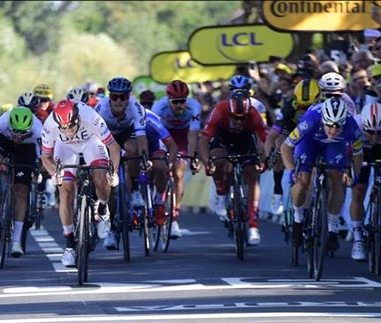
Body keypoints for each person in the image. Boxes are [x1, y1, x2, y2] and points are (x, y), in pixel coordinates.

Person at [41, 99, 121, 267]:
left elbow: (114, 148)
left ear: (78, 118)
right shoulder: (49, 126)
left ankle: (103, 209)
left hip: (90, 143)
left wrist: (113, 173)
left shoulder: (91, 117)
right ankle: (70, 245)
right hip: (65, 148)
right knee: (65, 191)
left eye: (72, 125)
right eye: (64, 128)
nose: (69, 130)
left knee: (100, 178)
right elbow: (45, 157)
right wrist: (54, 173)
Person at [281, 97, 363, 254]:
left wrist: (354, 173)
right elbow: (286, 147)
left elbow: (358, 155)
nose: (333, 131)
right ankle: (298, 220)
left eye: (338, 127)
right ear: (323, 120)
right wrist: (292, 170)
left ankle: (332, 229)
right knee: (303, 180)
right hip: (309, 143)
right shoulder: (311, 120)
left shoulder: (352, 127)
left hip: (334, 146)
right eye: (330, 126)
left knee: (336, 180)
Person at [198, 92, 267, 246]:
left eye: (242, 118)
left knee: (252, 174)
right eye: (234, 117)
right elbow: (203, 139)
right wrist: (207, 162)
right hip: (223, 139)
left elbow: (265, 140)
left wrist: (264, 160)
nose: (238, 121)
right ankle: (221, 194)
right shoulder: (219, 110)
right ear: (229, 112)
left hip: (245, 140)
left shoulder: (254, 114)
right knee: (219, 160)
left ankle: (253, 226)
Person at [0, 106, 42, 257]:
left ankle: (16, 240)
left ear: (30, 128)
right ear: (9, 125)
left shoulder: (38, 129)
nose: (18, 136)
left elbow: (43, 157)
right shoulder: (3, 121)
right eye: (15, 132)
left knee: (21, 190)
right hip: (4, 141)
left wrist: (38, 171)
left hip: (27, 147)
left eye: (23, 133)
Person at [95, 76, 149, 249]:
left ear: (129, 97)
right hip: (106, 135)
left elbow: (141, 137)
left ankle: (133, 190)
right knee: (108, 184)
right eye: (115, 97)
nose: (118, 101)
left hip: (126, 133)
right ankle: (109, 227)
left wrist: (144, 159)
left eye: (123, 97)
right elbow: (93, 137)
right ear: (109, 97)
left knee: (133, 151)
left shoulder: (135, 108)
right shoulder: (101, 108)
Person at [152, 79, 202, 238]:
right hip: (163, 135)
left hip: (182, 136)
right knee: (160, 166)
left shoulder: (194, 107)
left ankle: (174, 219)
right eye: (176, 102)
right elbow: (153, 133)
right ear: (168, 100)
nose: (180, 105)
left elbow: (193, 136)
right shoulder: (159, 107)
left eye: (183, 101)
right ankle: (159, 198)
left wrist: (193, 156)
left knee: (179, 172)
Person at [264, 79, 320, 216]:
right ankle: (277, 190)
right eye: (302, 107)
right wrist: (269, 156)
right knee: (279, 146)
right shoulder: (289, 107)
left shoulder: (324, 105)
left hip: (314, 130)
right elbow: (271, 136)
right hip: (292, 128)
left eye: (309, 106)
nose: (306, 110)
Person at [348, 102, 381, 261]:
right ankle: (358, 238)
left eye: (379, 132)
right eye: (370, 132)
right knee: (358, 191)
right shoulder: (354, 125)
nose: (375, 136)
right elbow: (348, 153)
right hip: (359, 151)